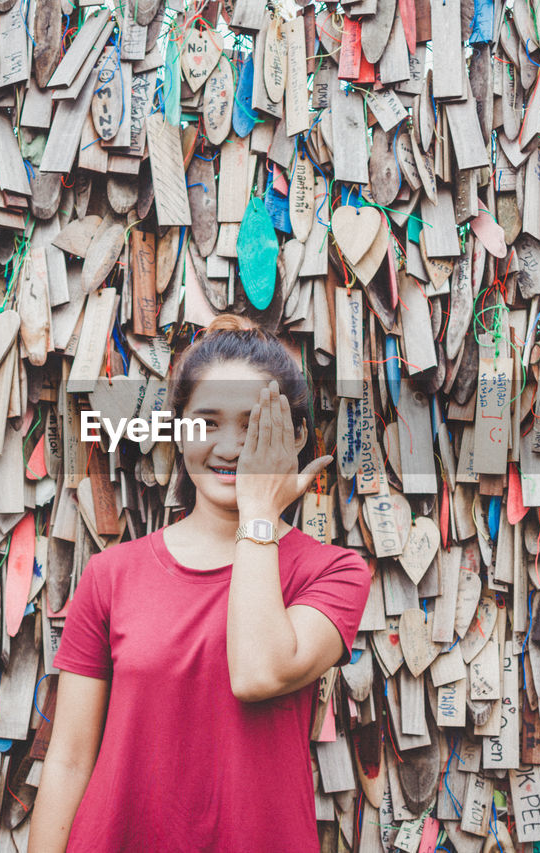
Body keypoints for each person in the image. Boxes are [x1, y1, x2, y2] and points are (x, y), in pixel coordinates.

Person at [26, 313, 374, 852]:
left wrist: (259, 514)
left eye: (254, 425)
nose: (230, 447)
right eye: (206, 422)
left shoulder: (332, 573)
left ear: (296, 436)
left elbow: (258, 673)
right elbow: (70, 760)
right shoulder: (110, 576)